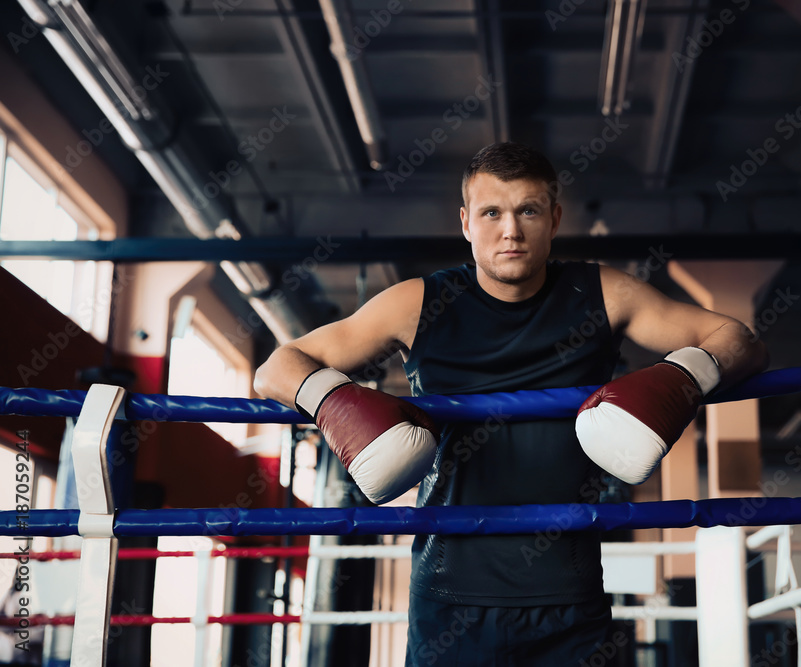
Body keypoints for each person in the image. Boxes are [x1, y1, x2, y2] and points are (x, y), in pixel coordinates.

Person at [254, 142, 768, 665]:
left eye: (528, 210)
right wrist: (338, 403)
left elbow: (738, 340)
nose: (511, 230)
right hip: (449, 598)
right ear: (466, 222)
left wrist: (674, 380)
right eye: (491, 212)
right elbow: (276, 368)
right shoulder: (419, 303)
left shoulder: (602, 294)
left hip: (570, 598)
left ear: (554, 218)